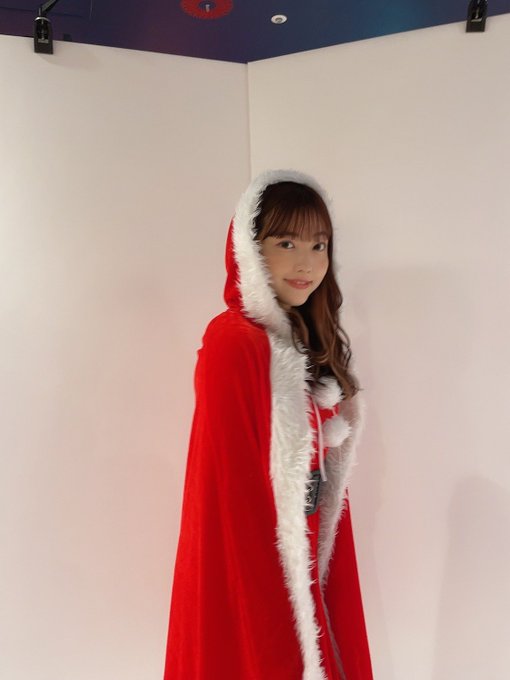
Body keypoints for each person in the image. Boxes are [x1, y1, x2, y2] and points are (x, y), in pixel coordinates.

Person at [162, 169, 373, 680]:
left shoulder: (298, 345)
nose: (307, 264)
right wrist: (264, 605)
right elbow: (230, 493)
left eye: (319, 246)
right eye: (286, 243)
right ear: (249, 250)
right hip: (257, 566)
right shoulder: (234, 342)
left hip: (304, 555)